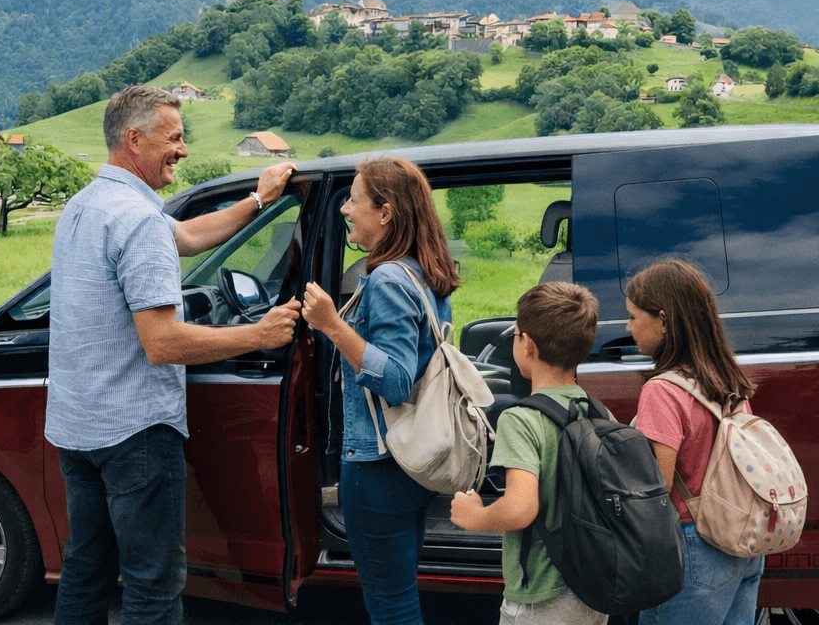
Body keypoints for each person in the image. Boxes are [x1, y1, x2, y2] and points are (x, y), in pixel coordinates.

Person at [45, 84, 302, 625]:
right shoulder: (136, 220)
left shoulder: (86, 205)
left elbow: (183, 235)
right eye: (175, 137)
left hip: (78, 428)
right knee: (153, 585)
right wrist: (260, 334)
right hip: (135, 432)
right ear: (134, 139)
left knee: (86, 569)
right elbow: (162, 343)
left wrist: (258, 201)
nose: (183, 149)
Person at [301, 156, 459, 625]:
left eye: (353, 199)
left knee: (391, 607)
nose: (345, 209)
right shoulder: (423, 272)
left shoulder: (388, 278)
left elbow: (394, 382)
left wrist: (331, 324)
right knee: (400, 591)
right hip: (411, 465)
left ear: (386, 212)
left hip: (377, 466)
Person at [449, 282, 607, 625]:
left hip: (542, 599)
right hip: (592, 591)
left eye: (517, 334)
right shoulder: (597, 411)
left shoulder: (521, 420)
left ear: (528, 346)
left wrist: (474, 515)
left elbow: (521, 508)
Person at [625, 257, 762, 625]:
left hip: (693, 545)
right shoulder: (727, 379)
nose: (628, 327)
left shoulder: (662, 391)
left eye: (635, 317)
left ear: (664, 320)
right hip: (741, 542)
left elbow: (657, 486)